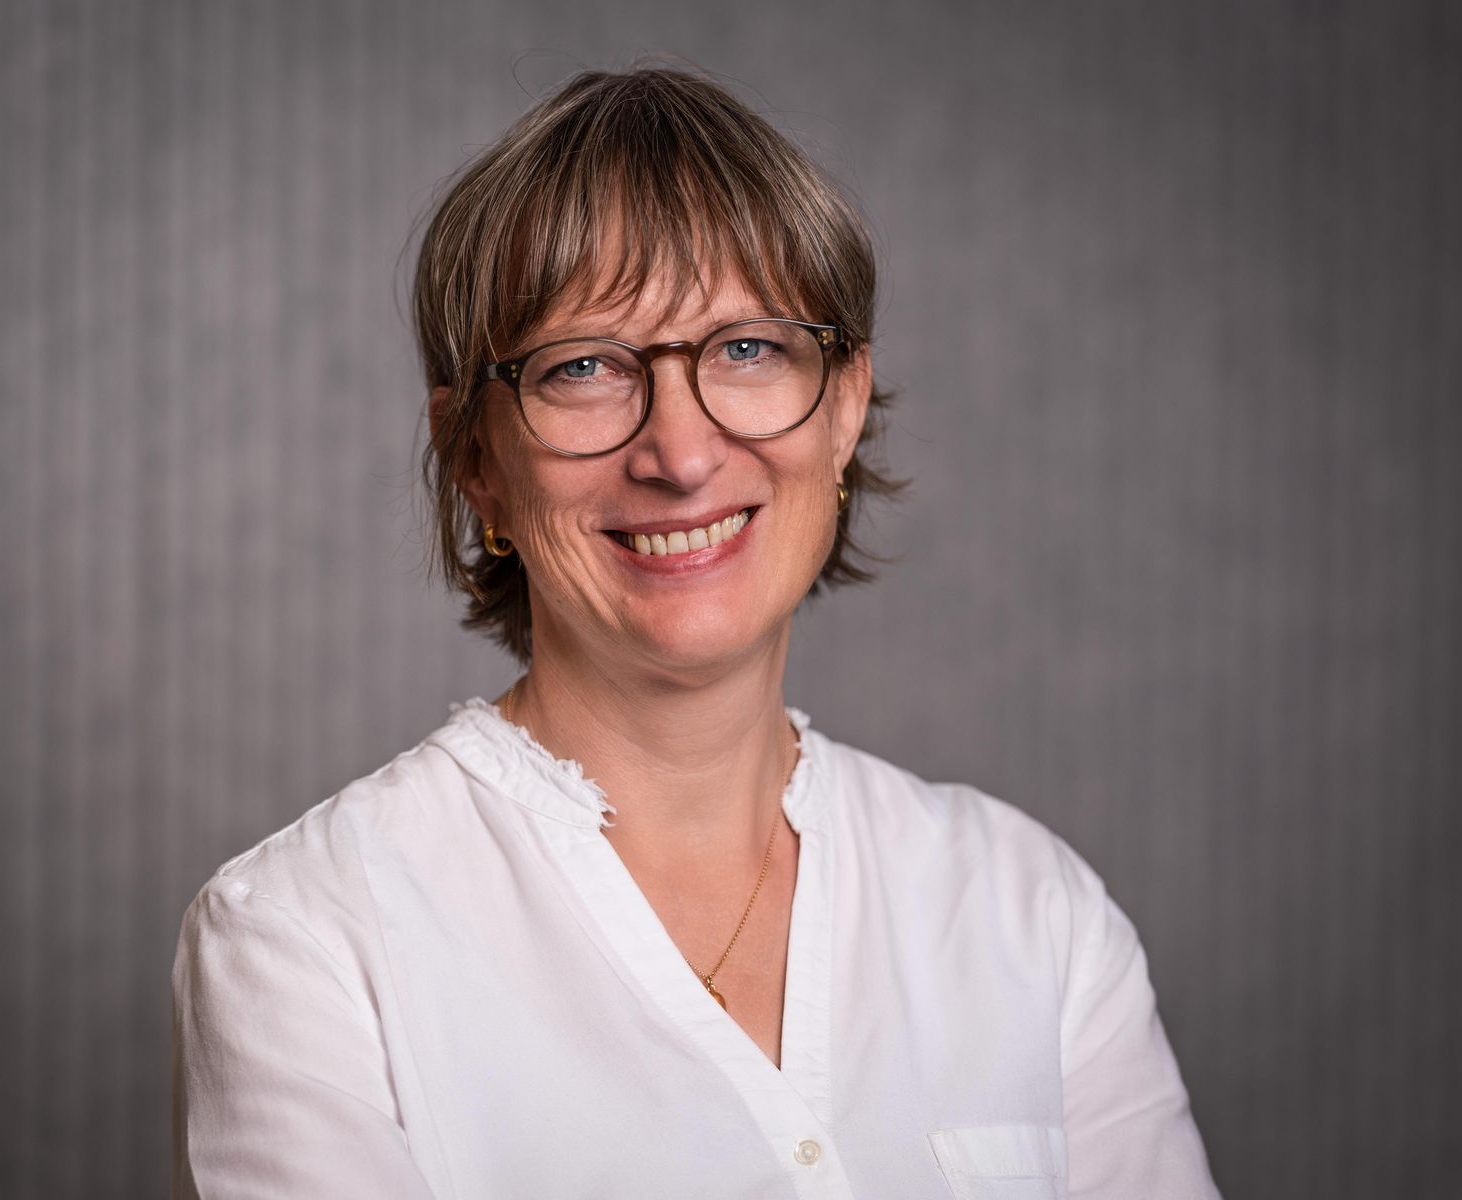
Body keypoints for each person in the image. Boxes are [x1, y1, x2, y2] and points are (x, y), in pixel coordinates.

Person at [171, 66, 1221, 1199]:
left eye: (748, 349)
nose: (679, 454)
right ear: (476, 457)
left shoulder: (1033, 914)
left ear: (844, 405)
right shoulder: (308, 940)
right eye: (583, 367)